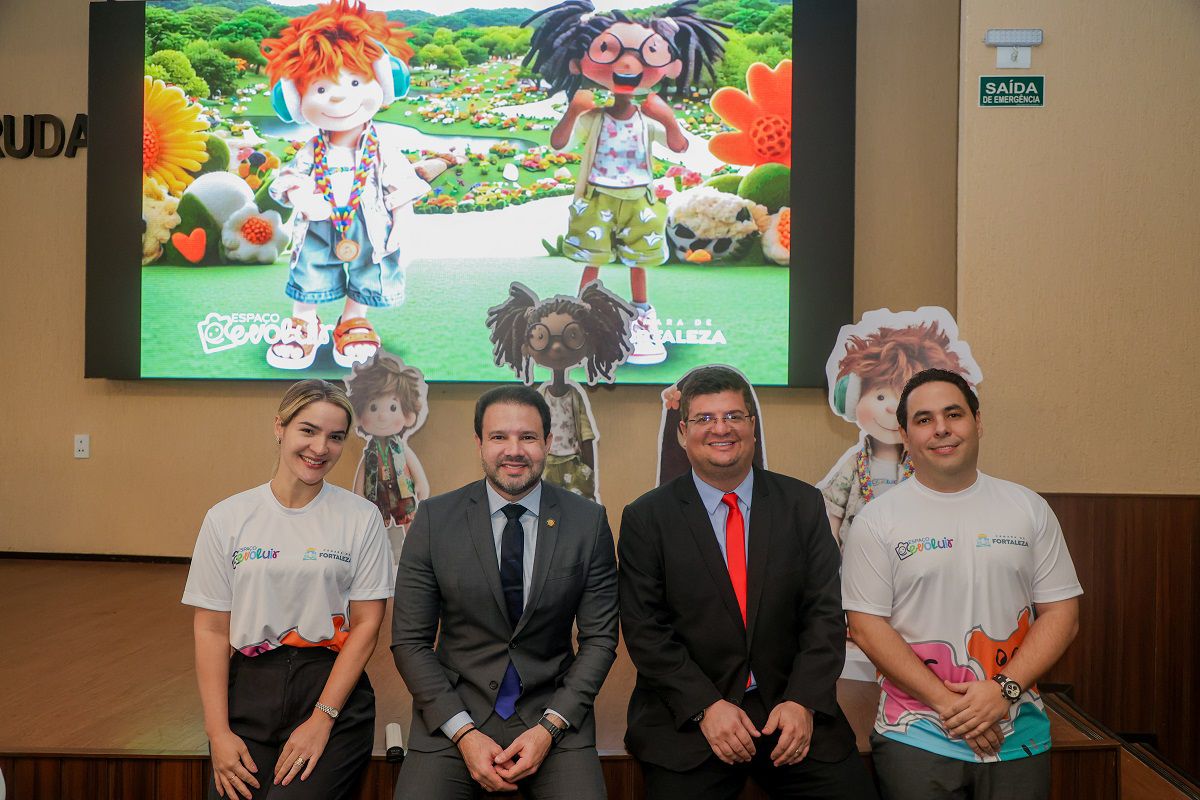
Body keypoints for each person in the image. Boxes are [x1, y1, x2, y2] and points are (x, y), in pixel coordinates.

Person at [618, 365, 878, 798]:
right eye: (704, 418)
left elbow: (824, 615)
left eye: (734, 416)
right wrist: (705, 707)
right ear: (682, 433)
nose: (721, 428)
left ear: (752, 426)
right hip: (692, 716)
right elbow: (646, 631)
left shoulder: (802, 505)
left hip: (791, 709)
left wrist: (803, 701)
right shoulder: (646, 518)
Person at [842, 368, 1082, 800]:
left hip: (1017, 733)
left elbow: (1062, 615)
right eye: (924, 419)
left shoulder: (1028, 508)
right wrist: (951, 705)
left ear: (978, 422)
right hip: (916, 736)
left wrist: (1002, 692)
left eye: (953, 414)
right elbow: (865, 627)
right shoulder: (877, 520)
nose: (941, 429)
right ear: (905, 435)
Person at [391, 385, 618, 799]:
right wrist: (463, 733)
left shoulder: (587, 522)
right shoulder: (435, 520)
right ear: (479, 443)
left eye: (527, 437)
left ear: (548, 442)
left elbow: (600, 640)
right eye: (499, 437)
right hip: (453, 714)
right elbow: (410, 641)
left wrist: (549, 728)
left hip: (554, 713)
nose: (514, 450)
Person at [182, 379, 394, 800]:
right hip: (249, 695)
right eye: (308, 430)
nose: (320, 448)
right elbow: (210, 630)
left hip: (330, 692)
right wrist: (218, 733)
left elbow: (368, 625)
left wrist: (322, 719)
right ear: (280, 427)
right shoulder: (227, 517)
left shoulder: (361, 518)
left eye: (335, 437)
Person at [522, 0, 729, 365]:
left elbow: (679, 146)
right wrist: (573, 110)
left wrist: (668, 119)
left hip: (639, 200)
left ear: (672, 65)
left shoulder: (646, 119)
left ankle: (641, 318)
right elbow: (559, 142)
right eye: (609, 50)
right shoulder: (593, 118)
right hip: (597, 197)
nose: (628, 64)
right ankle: (583, 321)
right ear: (578, 61)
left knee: (638, 262)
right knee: (592, 260)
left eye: (646, 53)